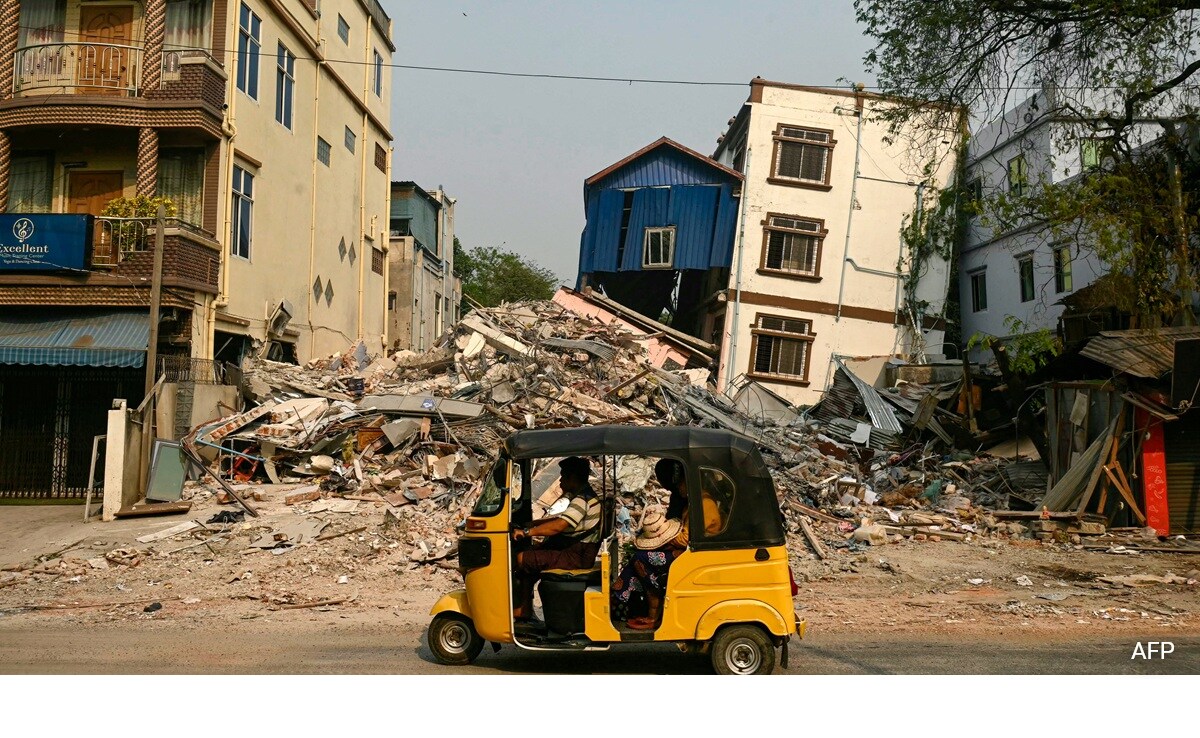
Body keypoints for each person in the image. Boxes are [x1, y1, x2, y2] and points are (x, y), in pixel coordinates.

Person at [510, 456, 601, 621]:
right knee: (531, 556)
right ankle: (523, 608)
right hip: (574, 551)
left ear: (572, 478)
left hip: (576, 556)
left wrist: (527, 532)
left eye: (563, 477)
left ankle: (523, 608)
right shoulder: (583, 497)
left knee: (522, 558)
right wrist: (531, 523)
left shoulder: (582, 500)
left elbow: (558, 526)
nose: (560, 482)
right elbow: (560, 520)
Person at [610, 506, 686, 629]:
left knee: (639, 559)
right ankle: (626, 601)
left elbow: (684, 540)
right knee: (635, 565)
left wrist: (666, 543)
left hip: (680, 555)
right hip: (673, 552)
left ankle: (651, 609)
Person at [655, 458, 723, 541]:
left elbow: (686, 538)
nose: (678, 489)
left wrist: (662, 537)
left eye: (680, 484)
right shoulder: (694, 500)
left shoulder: (704, 504)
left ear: (689, 482)